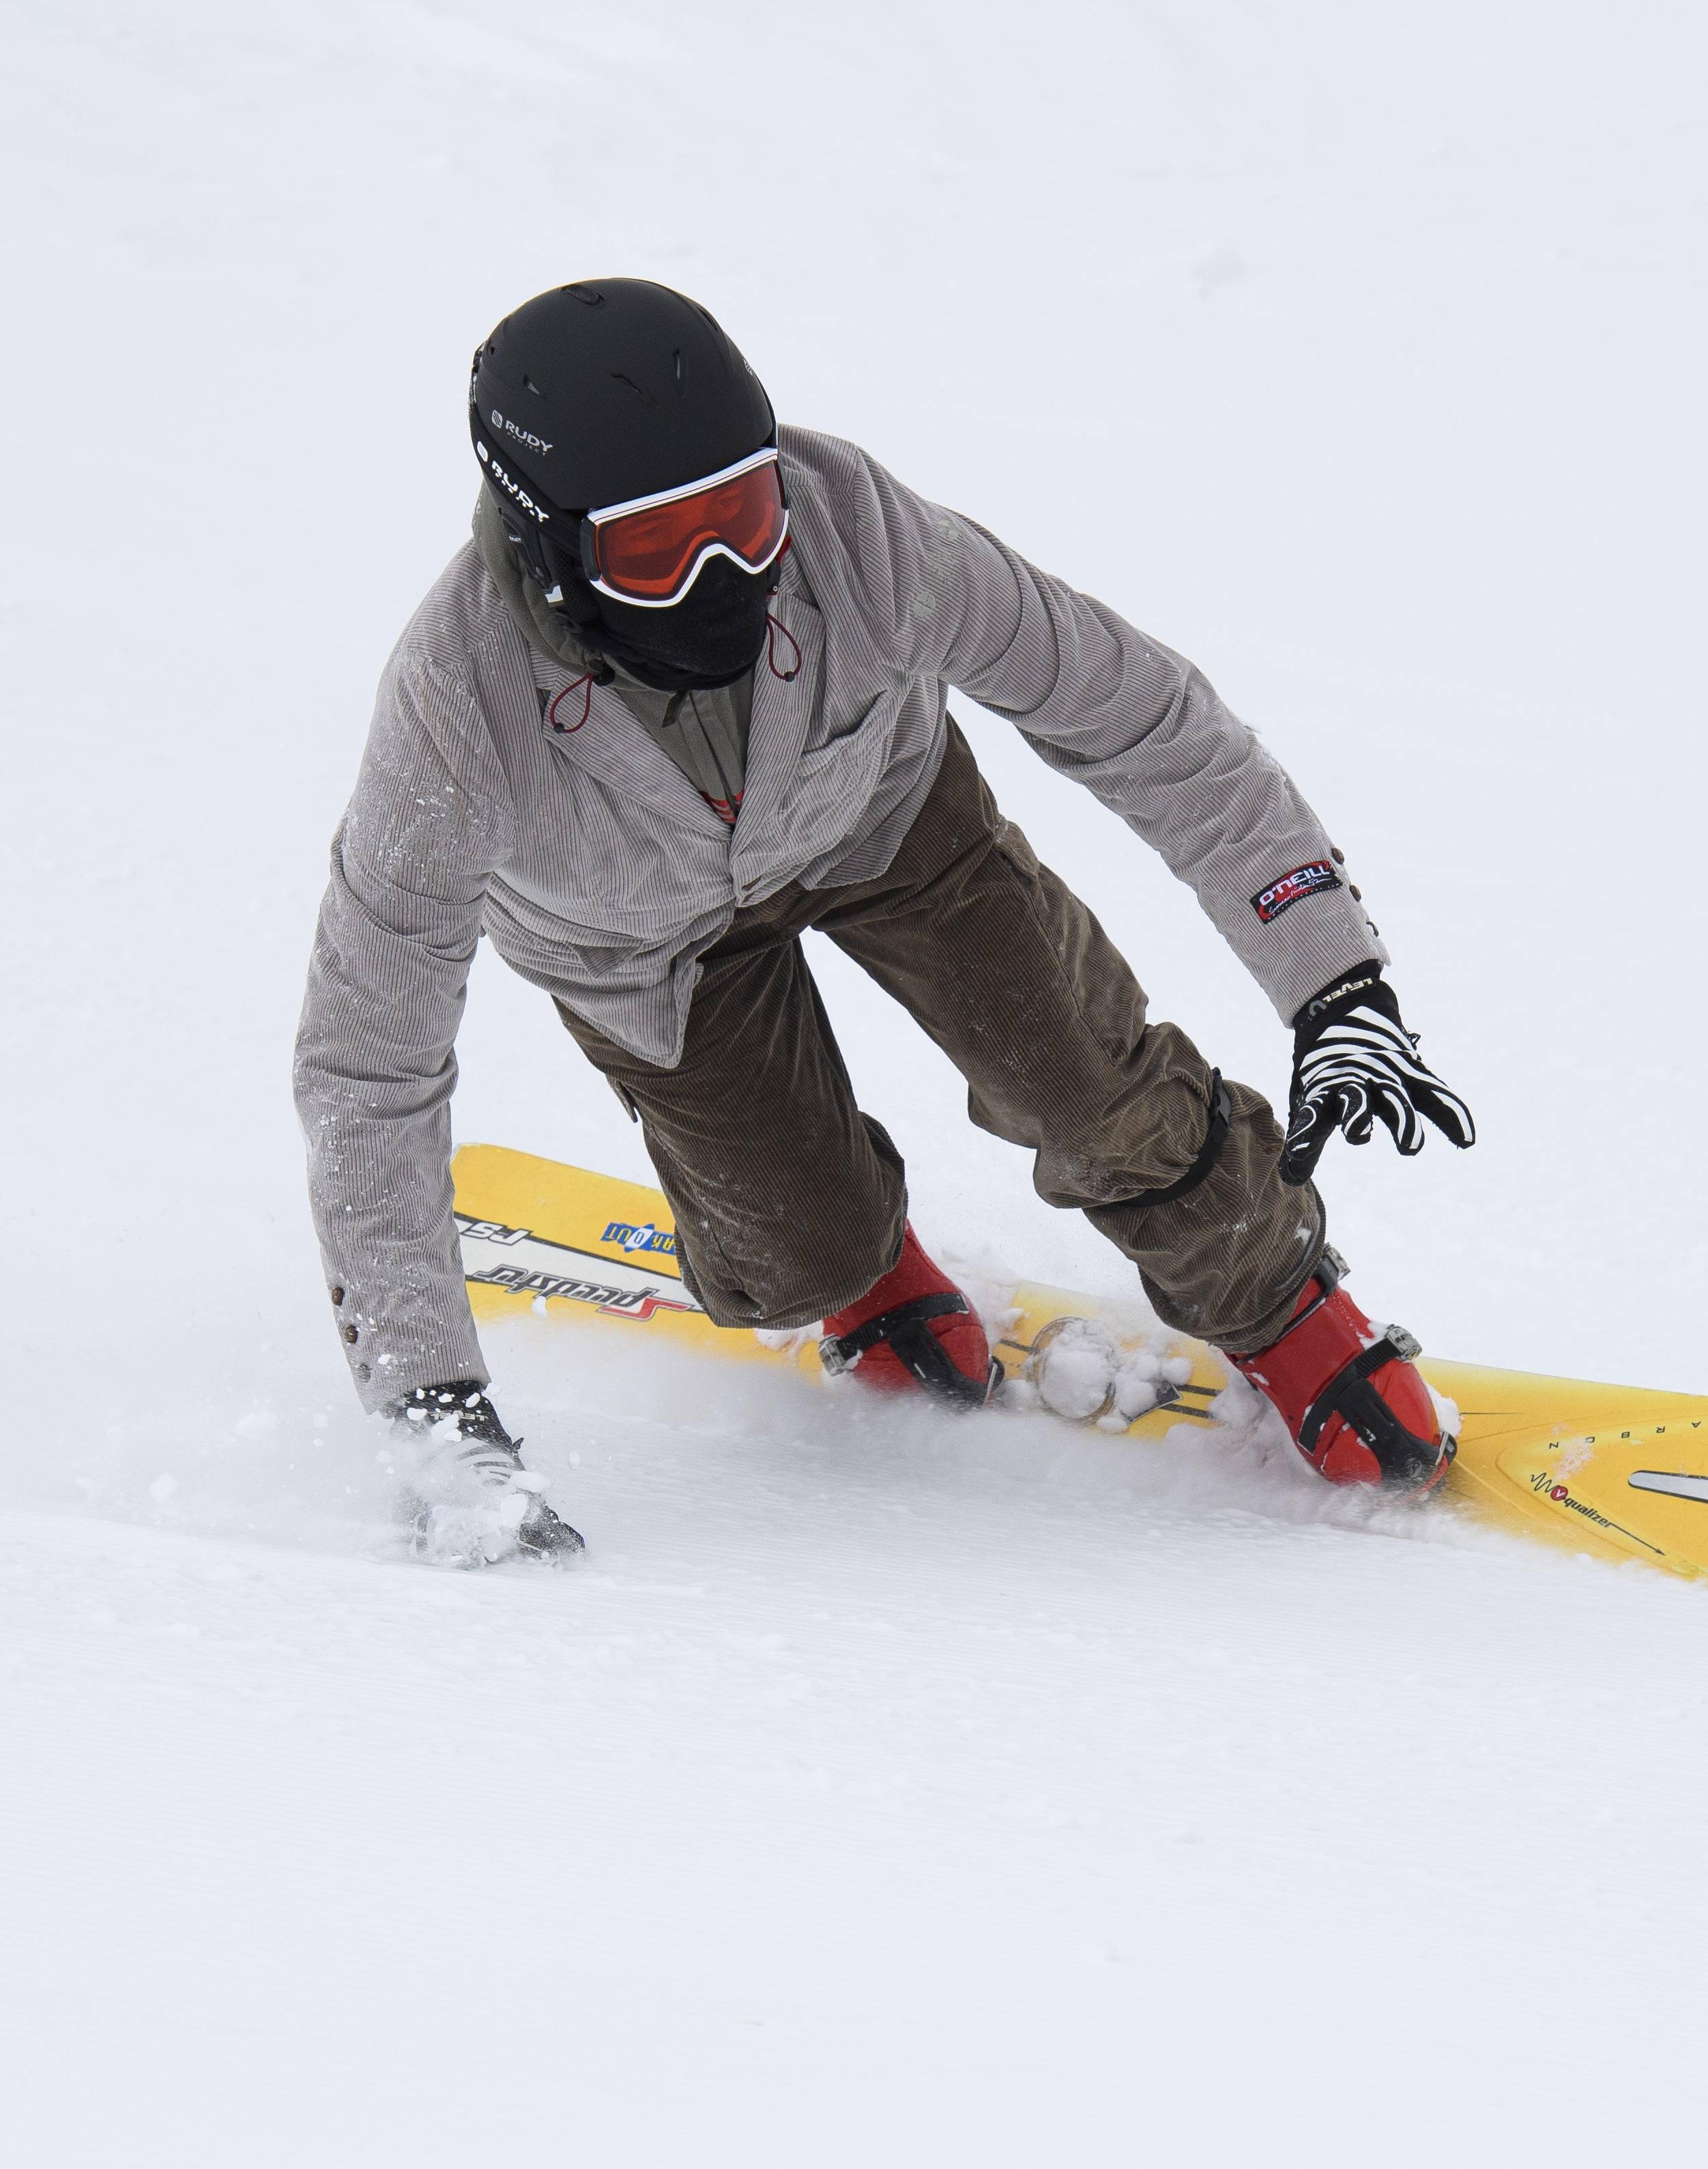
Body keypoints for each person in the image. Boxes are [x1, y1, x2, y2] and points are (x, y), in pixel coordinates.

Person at [295, 279, 1476, 1566]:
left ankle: (1276, 1294)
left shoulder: (859, 534)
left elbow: (1144, 719)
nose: (724, 574)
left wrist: (1333, 981)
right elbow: (369, 1067)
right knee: (793, 1253)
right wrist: (435, 1416)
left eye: (743, 516)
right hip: (639, 947)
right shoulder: (454, 708)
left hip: (886, 822)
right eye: (654, 550)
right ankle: (859, 1258)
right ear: (549, 546)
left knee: (1083, 1080)